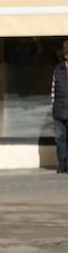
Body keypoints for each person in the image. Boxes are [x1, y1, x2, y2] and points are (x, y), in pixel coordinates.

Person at [52, 39, 68, 174]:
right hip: (59, 111)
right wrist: (54, 107)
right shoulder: (58, 69)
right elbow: (52, 91)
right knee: (60, 140)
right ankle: (62, 165)